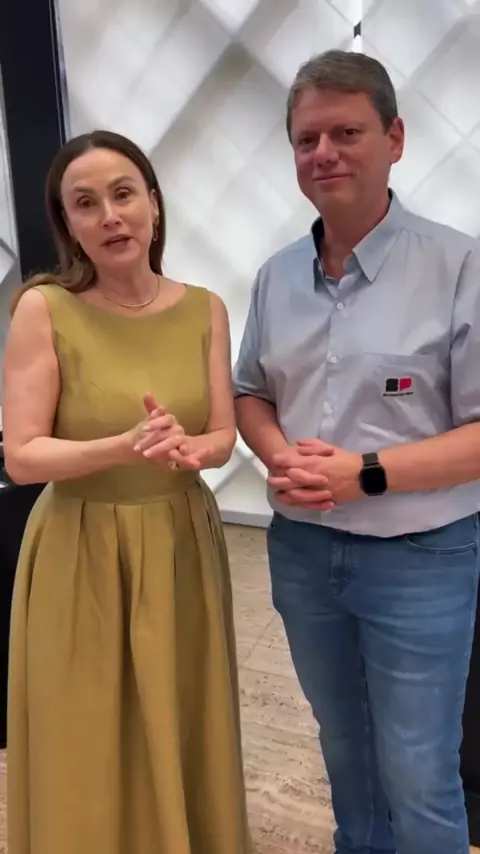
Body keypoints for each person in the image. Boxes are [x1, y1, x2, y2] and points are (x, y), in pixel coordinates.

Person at [234, 49, 480, 854]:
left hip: (421, 558)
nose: (324, 154)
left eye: (346, 133)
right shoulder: (276, 277)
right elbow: (249, 391)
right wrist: (278, 454)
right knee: (345, 753)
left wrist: (363, 474)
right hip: (303, 553)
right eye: (307, 139)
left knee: (418, 771)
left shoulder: (460, 267)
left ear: (395, 139)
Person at [3, 129, 251, 854]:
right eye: (85, 204)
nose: (110, 215)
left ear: (154, 204)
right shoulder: (44, 309)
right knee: (87, 725)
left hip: (179, 539)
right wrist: (121, 445)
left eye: (122, 194)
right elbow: (23, 455)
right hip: (81, 547)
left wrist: (191, 449)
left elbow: (223, 434)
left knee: (182, 710)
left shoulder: (205, 308)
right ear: (69, 225)